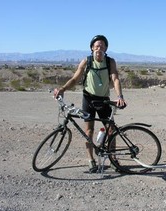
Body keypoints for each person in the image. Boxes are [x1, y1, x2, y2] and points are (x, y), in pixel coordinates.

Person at [54, 35, 126, 173]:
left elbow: (115, 79)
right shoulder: (86, 62)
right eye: (97, 46)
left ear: (106, 49)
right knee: (89, 131)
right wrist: (62, 89)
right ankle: (91, 160)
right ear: (92, 47)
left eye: (102, 46)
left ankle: (113, 158)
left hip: (104, 100)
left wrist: (120, 96)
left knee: (111, 130)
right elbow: (75, 79)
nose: (99, 48)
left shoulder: (110, 62)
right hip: (88, 99)